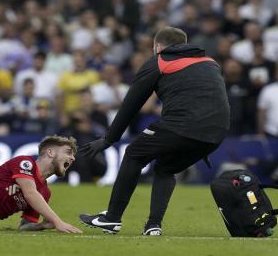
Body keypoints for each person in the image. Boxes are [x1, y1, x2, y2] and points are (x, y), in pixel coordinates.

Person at [79, 26, 230, 236]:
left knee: (133, 154)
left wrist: (108, 139)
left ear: (157, 46)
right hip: (217, 133)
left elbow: (131, 104)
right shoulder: (210, 63)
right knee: (166, 169)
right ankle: (153, 226)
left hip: (182, 125)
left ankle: (111, 219)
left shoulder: (160, 61)